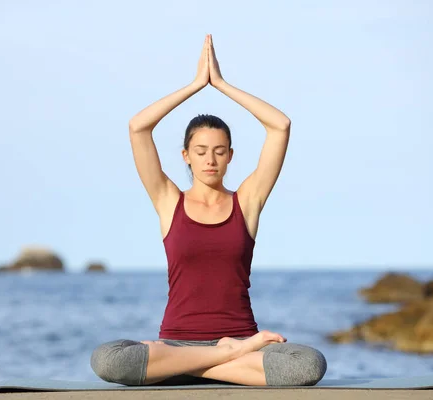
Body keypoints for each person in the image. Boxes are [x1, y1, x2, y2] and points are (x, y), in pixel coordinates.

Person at [90, 34, 327, 387]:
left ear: (230, 155)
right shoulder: (170, 201)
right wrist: (195, 85)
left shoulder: (246, 202)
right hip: (182, 342)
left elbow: (280, 125)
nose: (210, 159)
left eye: (219, 151)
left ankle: (183, 368)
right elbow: (138, 127)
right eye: (200, 151)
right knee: (107, 359)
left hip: (239, 341)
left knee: (308, 365)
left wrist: (222, 85)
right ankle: (221, 359)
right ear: (186, 155)